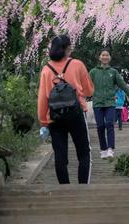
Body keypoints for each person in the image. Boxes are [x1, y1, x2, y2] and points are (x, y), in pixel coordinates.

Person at [37, 35, 94, 185]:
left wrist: (43, 121)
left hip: (55, 117)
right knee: (84, 153)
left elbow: (43, 97)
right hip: (76, 114)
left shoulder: (46, 69)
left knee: (60, 155)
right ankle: (83, 187)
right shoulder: (77, 64)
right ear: (66, 48)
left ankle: (64, 188)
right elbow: (88, 91)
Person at [89, 49, 129, 159]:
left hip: (110, 103)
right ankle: (103, 149)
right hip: (98, 103)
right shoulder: (93, 72)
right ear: (100, 57)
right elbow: (86, 84)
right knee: (100, 126)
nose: (105, 57)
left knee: (110, 124)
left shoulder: (113, 72)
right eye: (103, 55)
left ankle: (110, 148)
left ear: (109, 57)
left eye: (107, 55)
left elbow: (123, 85)